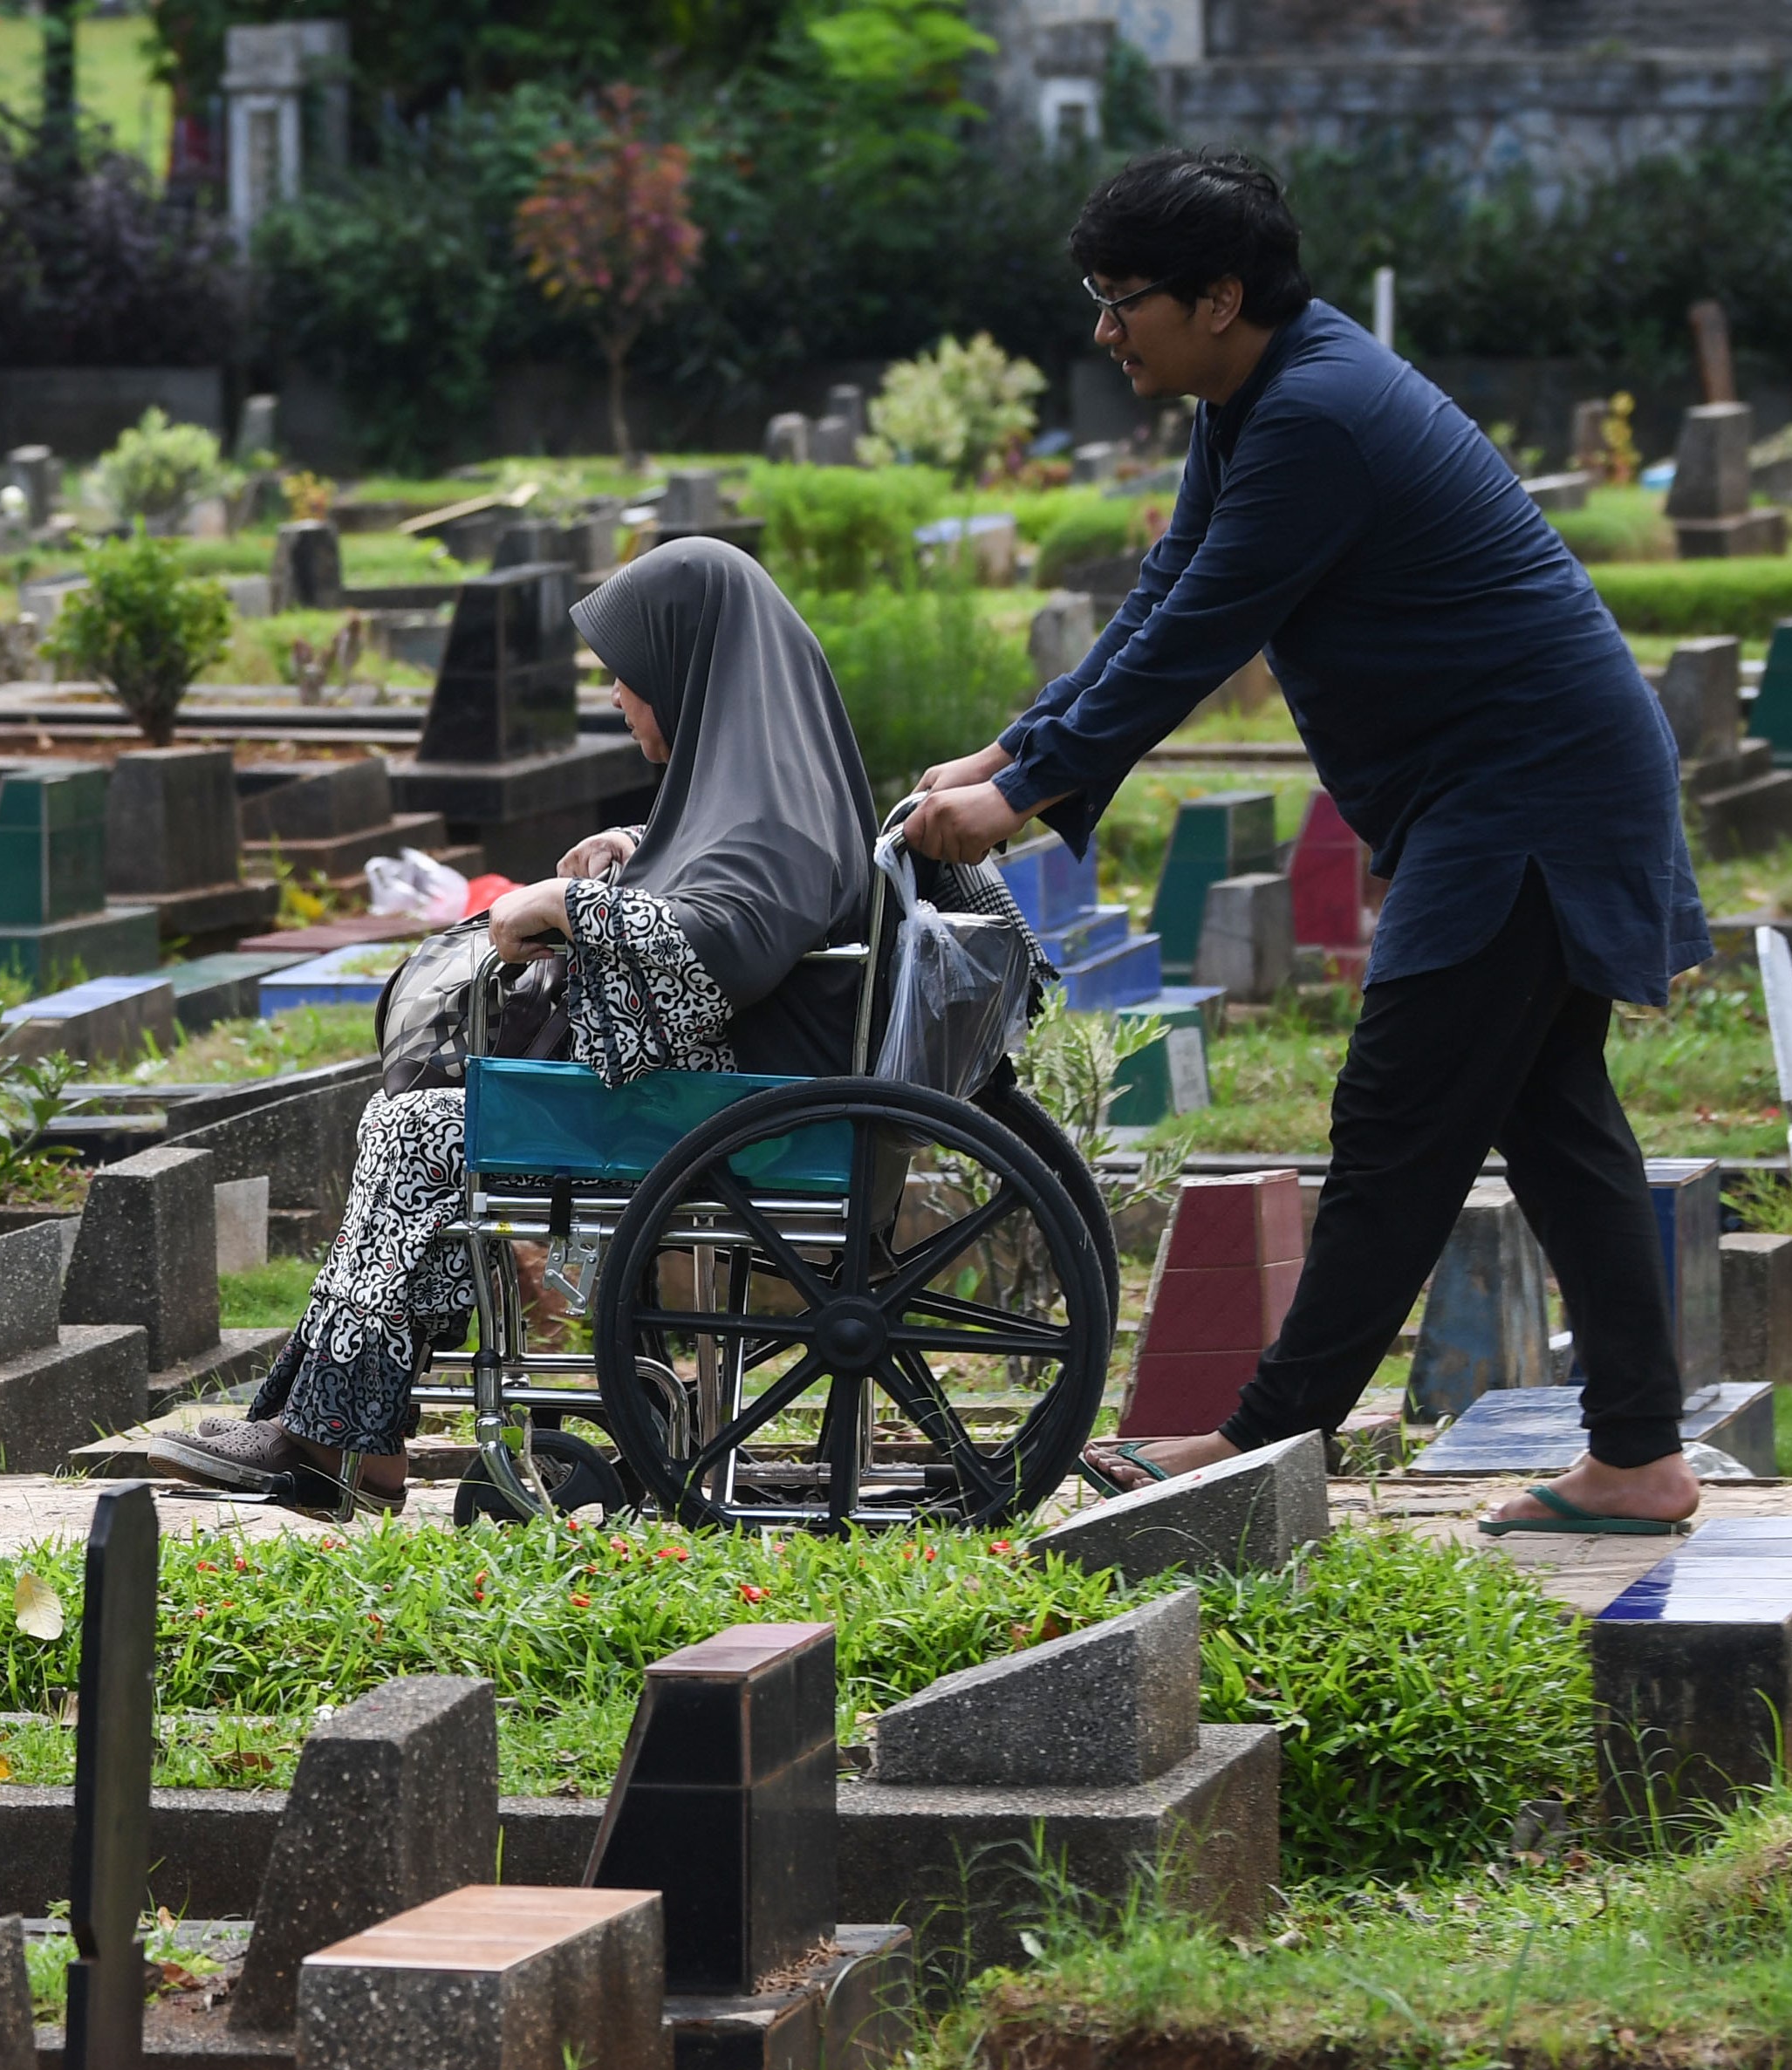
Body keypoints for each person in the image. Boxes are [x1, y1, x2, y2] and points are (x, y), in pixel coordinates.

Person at [901, 149, 1712, 1539]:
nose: (1106, 331)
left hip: (1528, 797)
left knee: (1401, 1119)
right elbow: (1167, 595)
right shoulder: (1258, 394)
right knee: (1556, 1119)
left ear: (1218, 297)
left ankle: (1266, 1437)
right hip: (1519, 786)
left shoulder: (1316, 416)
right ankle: (1638, 1453)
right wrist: (1006, 753)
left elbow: (1202, 639)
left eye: (1122, 300)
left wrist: (1022, 793)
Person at [147, 536, 1036, 1520]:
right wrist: (634, 852)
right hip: (724, 1106)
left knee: (413, 1133)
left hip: (720, 1126)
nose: (615, 697)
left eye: (627, 676)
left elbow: (725, 947)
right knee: (427, 1122)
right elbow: (718, 890)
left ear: (684, 672)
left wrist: (569, 911)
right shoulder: (767, 794)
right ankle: (331, 1425)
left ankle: (337, 1439)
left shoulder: (773, 820)